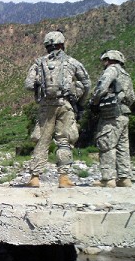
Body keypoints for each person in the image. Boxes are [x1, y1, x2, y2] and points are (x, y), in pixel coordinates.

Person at [24, 30, 91, 188]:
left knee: (42, 141)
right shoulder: (72, 62)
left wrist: (39, 87)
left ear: (47, 46)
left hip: (45, 107)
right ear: (62, 44)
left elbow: (28, 85)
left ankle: (34, 178)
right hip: (65, 105)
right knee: (64, 140)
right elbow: (87, 83)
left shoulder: (38, 63)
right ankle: (63, 178)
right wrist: (80, 99)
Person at [90, 50, 135, 188]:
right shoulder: (126, 75)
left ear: (108, 60)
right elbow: (132, 97)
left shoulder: (111, 71)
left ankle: (108, 179)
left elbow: (101, 88)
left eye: (104, 61)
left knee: (106, 144)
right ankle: (124, 178)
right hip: (124, 114)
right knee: (123, 147)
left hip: (111, 114)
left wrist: (94, 102)